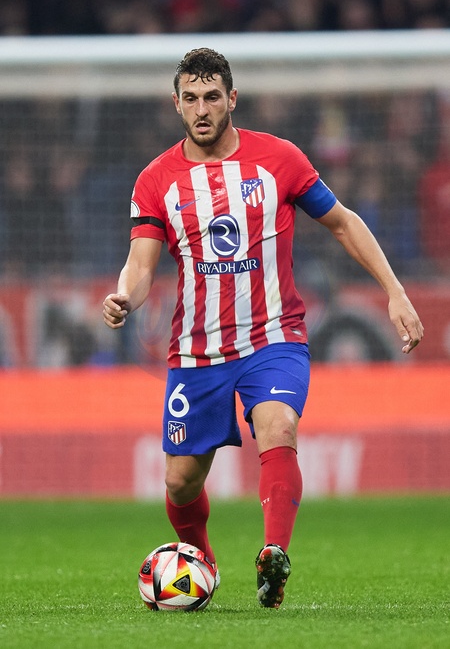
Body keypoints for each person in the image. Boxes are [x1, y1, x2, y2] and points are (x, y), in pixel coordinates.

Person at [103, 48, 424, 608]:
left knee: (278, 427)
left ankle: (274, 554)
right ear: (175, 104)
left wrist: (395, 290)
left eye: (211, 97)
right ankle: (202, 560)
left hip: (273, 337)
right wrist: (125, 296)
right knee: (180, 482)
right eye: (190, 98)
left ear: (232, 98)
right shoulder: (156, 180)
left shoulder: (279, 159)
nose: (201, 109)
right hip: (197, 350)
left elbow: (343, 223)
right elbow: (141, 263)